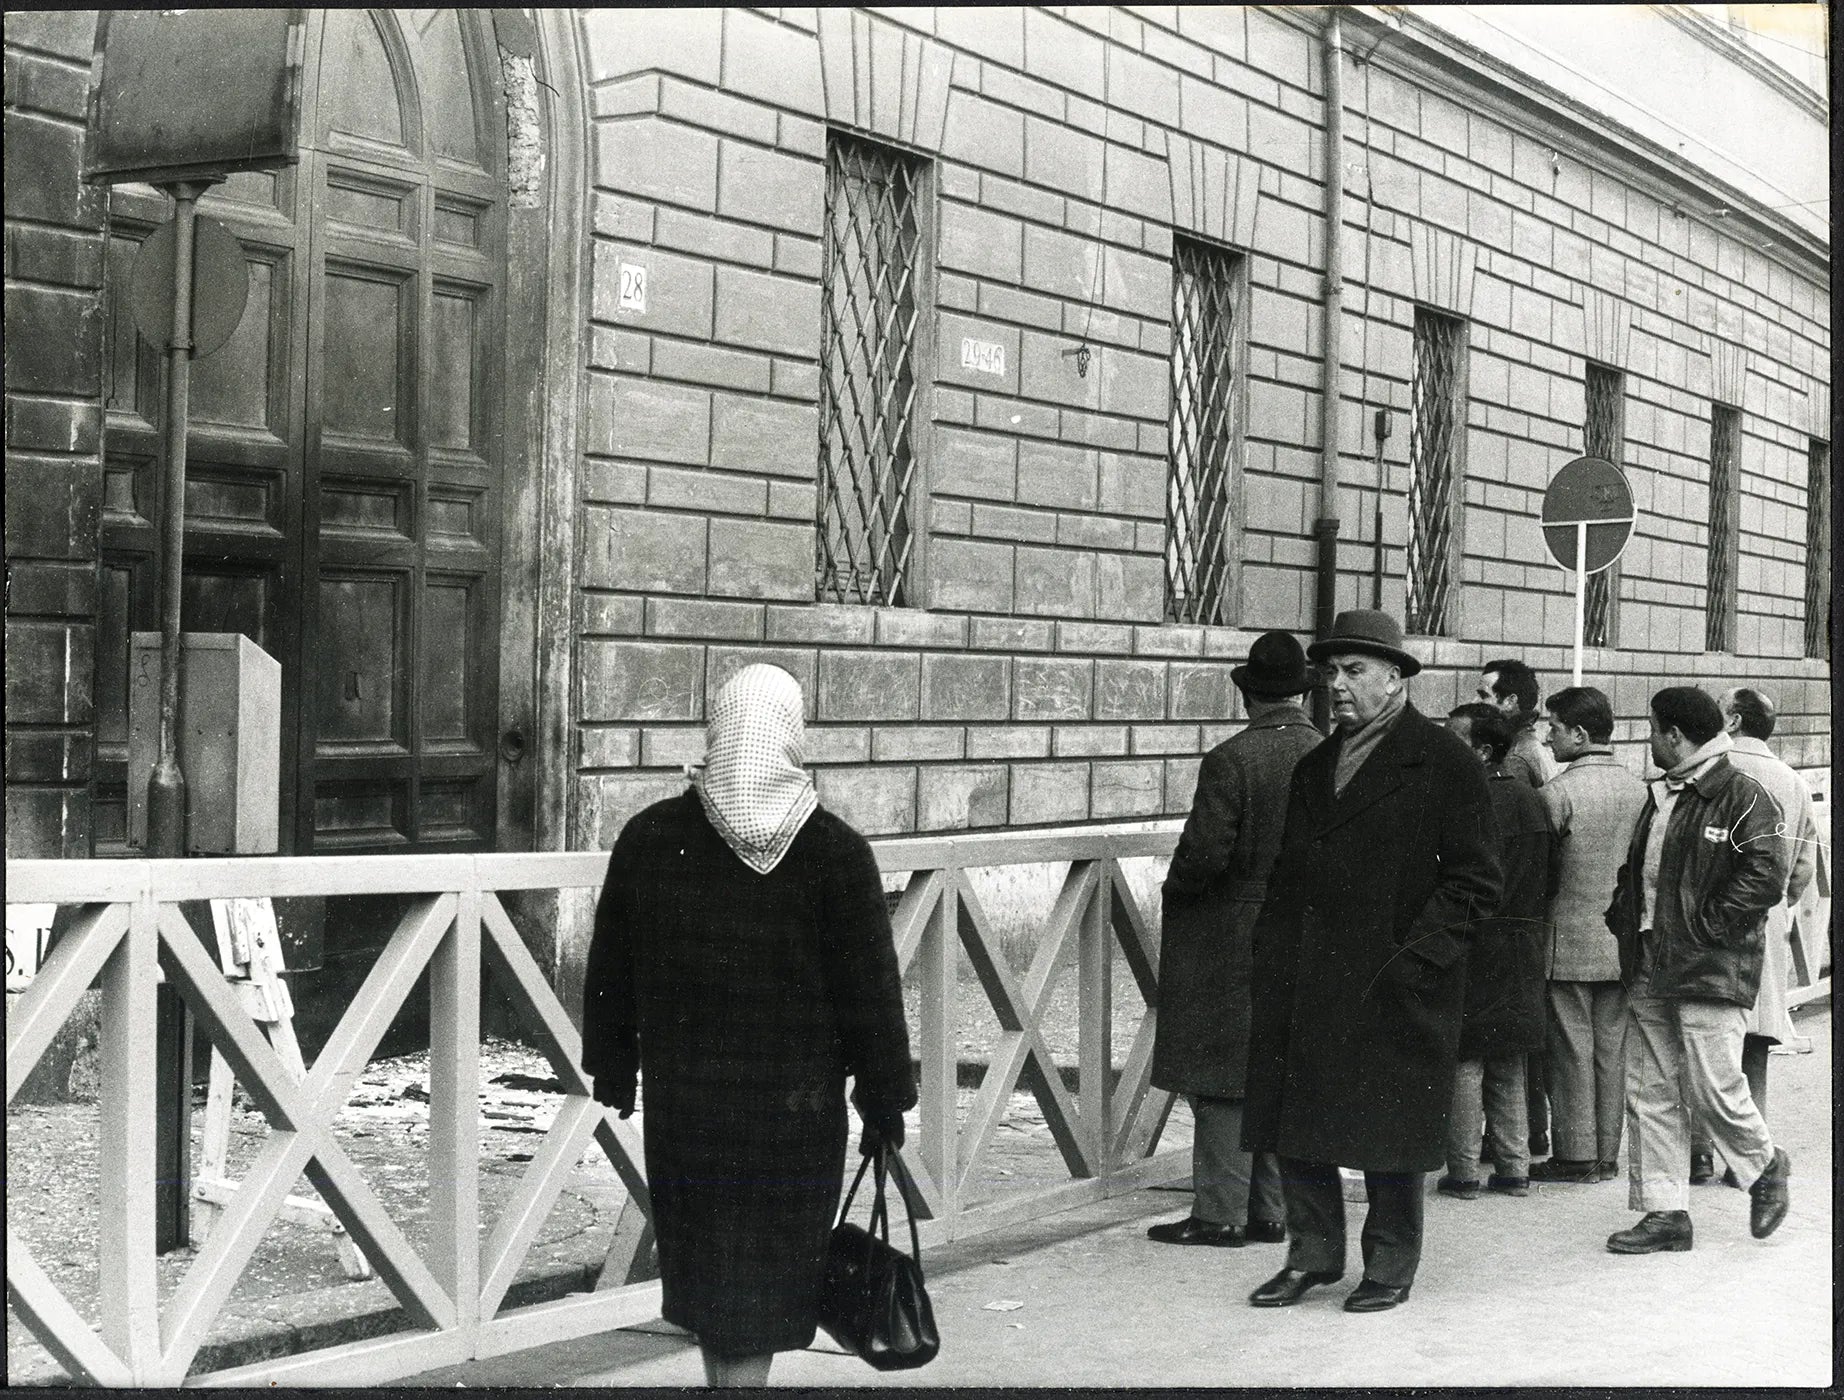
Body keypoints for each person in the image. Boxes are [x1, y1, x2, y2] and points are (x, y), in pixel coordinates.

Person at [580, 664, 916, 1386]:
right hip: (791, 1116)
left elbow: (611, 967)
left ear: (717, 732)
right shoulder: (836, 851)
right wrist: (884, 1098)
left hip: (689, 1108)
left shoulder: (650, 838)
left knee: (712, 1273)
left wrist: (613, 1065)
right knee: (762, 1276)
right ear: (792, 737)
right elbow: (871, 994)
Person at [1243, 610, 1502, 1313]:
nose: (1338, 686)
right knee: (1299, 1121)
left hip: (1396, 980)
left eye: (1355, 671)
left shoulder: (1446, 761)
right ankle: (1313, 1256)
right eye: (1330, 673)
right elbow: (1288, 873)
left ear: (1396, 677)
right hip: (1307, 976)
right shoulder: (1316, 765)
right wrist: (1270, 953)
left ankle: (1389, 1264)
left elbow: (1475, 883)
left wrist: (1415, 961)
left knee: (1390, 1133)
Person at [1148, 632, 1323, 1248]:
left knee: (1221, 1073)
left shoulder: (1232, 759)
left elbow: (1204, 854)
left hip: (1233, 930)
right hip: (1303, 927)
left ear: (1248, 694)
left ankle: (1219, 1212)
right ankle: (1270, 1211)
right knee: (1274, 1066)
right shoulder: (1328, 753)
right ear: (1303, 692)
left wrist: (1177, 892)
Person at [1602, 687, 1790, 1255]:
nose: (1649, 739)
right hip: (1652, 963)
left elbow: (1766, 876)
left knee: (1714, 1085)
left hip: (1709, 965)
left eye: (1652, 729)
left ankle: (1765, 1165)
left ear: (1675, 735)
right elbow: (1640, 871)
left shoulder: (1741, 795)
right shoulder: (1662, 796)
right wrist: (1622, 912)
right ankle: (1665, 1214)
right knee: (1651, 1090)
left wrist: (1707, 928)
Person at [1687, 687, 1820, 1185]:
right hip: (1766, 922)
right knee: (1755, 1043)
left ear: (1734, 720)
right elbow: (1804, 866)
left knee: (1702, 1041)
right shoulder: (1792, 781)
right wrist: (1778, 902)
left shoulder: (1712, 770)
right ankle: (1750, 1162)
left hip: (1707, 923)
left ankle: (1699, 1151)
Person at [1530, 685, 1648, 1185]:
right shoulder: (1642, 790)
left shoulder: (1555, 793)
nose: (1547, 736)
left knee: (1570, 1049)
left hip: (1568, 941)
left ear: (1578, 734)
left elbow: (1543, 873)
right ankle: (1607, 1152)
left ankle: (1576, 1155)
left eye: (1553, 727)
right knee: (1612, 1049)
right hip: (1622, 943)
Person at [1437, 704, 1552, 1201]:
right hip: (1523, 942)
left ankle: (1462, 1172)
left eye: (1453, 740)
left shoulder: (1466, 802)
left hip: (1474, 941)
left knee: (1466, 1058)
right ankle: (1515, 1168)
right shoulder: (1533, 800)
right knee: (1509, 1058)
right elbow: (1550, 876)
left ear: (1482, 751)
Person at [1477, 658, 1558, 790]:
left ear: (1510, 701)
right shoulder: (1525, 744)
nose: (1475, 702)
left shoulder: (1514, 755)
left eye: (1483, 695)